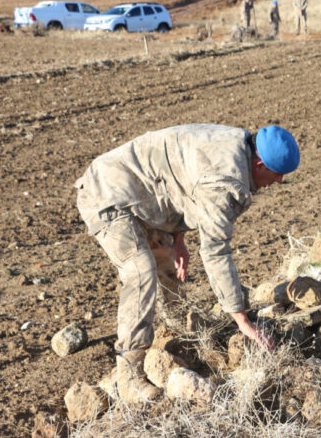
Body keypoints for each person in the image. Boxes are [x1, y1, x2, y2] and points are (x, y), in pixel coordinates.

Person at [75, 124, 300, 404]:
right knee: (141, 270)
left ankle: (177, 334)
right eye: (277, 174)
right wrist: (241, 318)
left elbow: (179, 177)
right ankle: (129, 374)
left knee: (167, 264)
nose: (279, 182)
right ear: (259, 163)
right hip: (107, 193)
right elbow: (216, 251)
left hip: (142, 195)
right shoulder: (225, 181)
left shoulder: (236, 145)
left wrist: (177, 237)